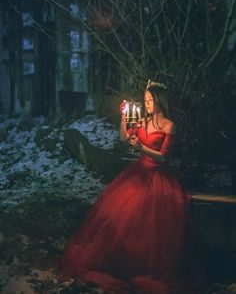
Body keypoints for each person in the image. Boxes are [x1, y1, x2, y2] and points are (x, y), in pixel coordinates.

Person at [59, 81, 203, 294]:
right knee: (119, 216)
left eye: (150, 100)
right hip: (137, 172)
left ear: (159, 100)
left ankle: (145, 267)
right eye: (145, 100)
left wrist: (142, 147)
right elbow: (124, 137)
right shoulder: (143, 120)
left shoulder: (168, 125)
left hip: (157, 176)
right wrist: (125, 118)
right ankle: (120, 264)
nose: (147, 104)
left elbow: (163, 157)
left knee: (152, 225)